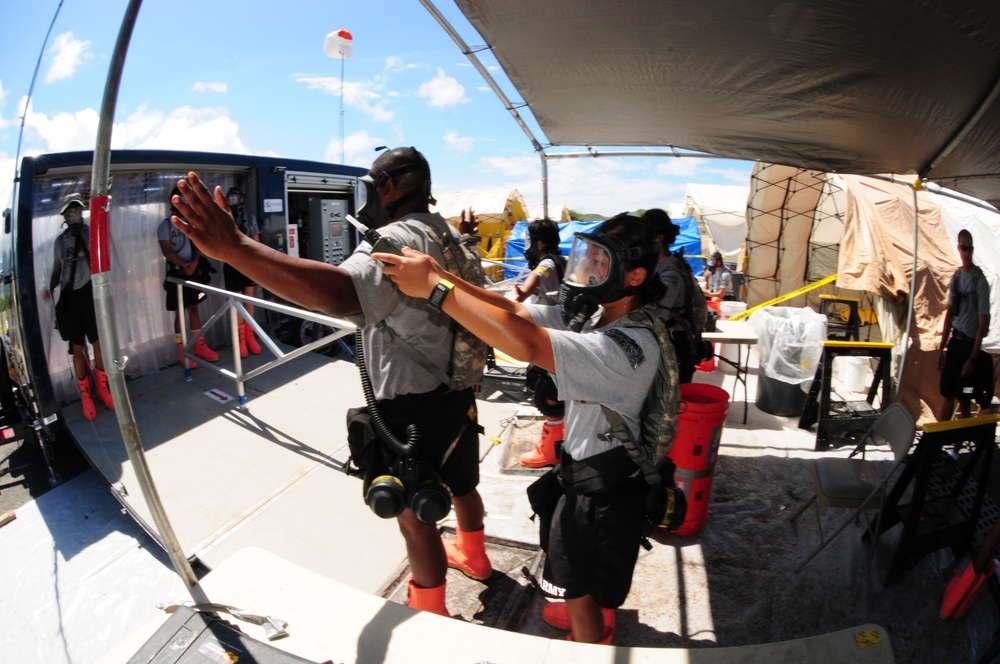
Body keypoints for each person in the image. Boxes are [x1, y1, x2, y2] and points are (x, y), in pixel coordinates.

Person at [170, 147, 492, 616]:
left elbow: (342, 293)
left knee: (414, 518)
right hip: (458, 391)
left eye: (371, 186)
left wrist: (235, 248)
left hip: (409, 406)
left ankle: (431, 611)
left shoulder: (394, 238)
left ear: (387, 188)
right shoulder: (446, 234)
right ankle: (477, 557)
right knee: (461, 483)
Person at [375, 214, 677, 645]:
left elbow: (529, 343)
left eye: (599, 261)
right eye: (587, 257)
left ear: (635, 275)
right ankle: (588, 621)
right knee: (583, 583)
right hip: (593, 477)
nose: (588, 269)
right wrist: (441, 275)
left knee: (581, 591)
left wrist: (437, 292)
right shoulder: (599, 317)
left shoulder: (626, 347)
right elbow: (513, 310)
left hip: (603, 495)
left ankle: (590, 642)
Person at [43, 193, 115, 420]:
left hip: (89, 293)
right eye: (70, 211)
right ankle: (86, 395)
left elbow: (102, 262)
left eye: (77, 210)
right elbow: (57, 270)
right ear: (64, 215)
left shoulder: (91, 234)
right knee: (77, 346)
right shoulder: (59, 242)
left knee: (98, 342)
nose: (74, 215)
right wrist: (51, 288)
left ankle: (103, 387)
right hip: (69, 297)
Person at [515, 218, 567, 468]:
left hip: (549, 335)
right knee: (556, 389)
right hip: (560, 334)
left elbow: (533, 281)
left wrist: (520, 294)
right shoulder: (562, 261)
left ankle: (550, 450)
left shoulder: (546, 263)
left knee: (547, 391)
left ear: (540, 242)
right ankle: (559, 440)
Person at [158, 187, 219, 368]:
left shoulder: (193, 222)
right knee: (179, 311)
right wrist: (185, 265)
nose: (181, 203)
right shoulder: (165, 225)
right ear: (171, 202)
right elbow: (166, 251)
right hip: (176, 274)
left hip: (193, 272)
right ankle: (183, 351)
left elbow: (199, 244)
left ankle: (199, 345)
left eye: (184, 199)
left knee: (194, 308)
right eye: (178, 199)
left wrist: (194, 262)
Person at [938, 229, 994, 420]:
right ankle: (940, 440)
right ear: (959, 248)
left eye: (969, 248)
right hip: (956, 343)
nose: (967, 252)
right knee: (947, 393)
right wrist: (941, 349)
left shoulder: (980, 280)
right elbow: (949, 313)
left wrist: (972, 359)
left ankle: (957, 446)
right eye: (964, 248)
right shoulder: (957, 277)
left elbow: (982, 323)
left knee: (965, 395)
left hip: (969, 347)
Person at [642, 208, 701, 383]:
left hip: (675, 347)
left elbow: (660, 317)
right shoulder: (658, 267)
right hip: (666, 343)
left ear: (659, 237)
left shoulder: (670, 272)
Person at [223, 187, 263, 357]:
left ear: (241, 199)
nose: (233, 201)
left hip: (248, 265)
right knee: (237, 302)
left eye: (235, 197)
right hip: (232, 265)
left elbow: (257, 242)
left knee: (249, 300)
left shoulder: (249, 218)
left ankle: (250, 336)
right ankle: (240, 340)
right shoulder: (224, 218)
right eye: (230, 198)